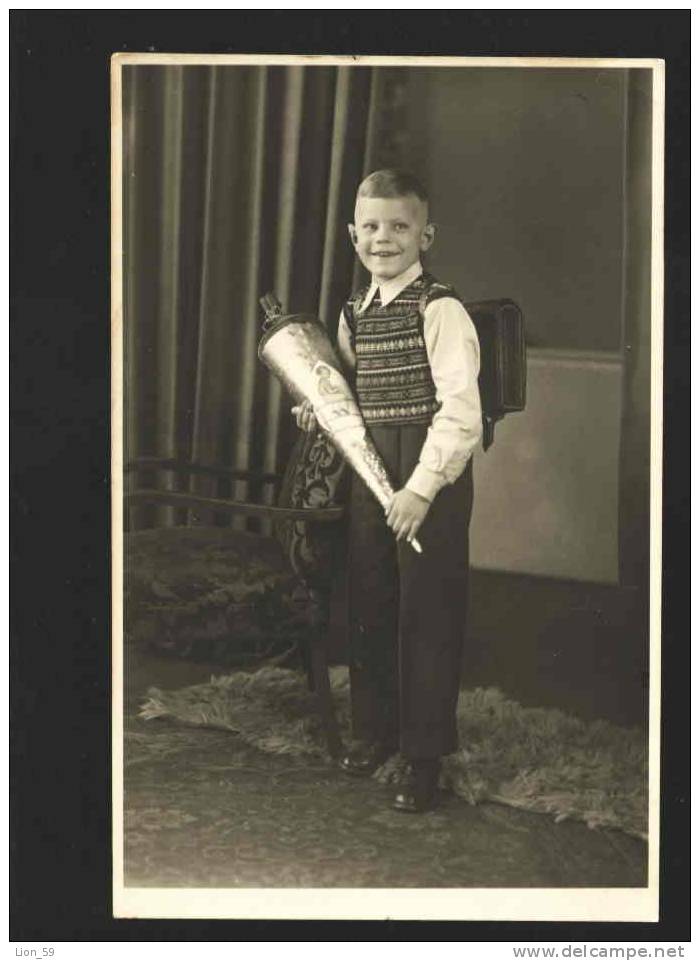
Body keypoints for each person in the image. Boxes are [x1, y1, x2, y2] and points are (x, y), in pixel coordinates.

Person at [293, 169, 482, 812]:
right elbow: (345, 391)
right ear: (352, 234)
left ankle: (423, 757)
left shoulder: (441, 309)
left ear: (424, 234)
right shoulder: (352, 313)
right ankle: (374, 730)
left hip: (428, 474)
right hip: (371, 474)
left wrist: (422, 490)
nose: (384, 238)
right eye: (371, 227)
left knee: (425, 613)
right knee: (371, 598)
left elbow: (461, 415)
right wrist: (316, 406)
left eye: (399, 226)